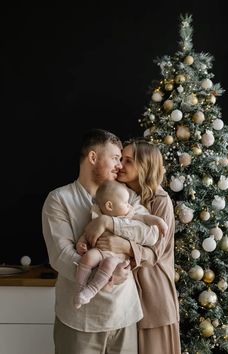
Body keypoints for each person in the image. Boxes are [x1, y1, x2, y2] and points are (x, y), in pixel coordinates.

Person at [42, 128, 160, 354]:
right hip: (79, 321)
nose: (120, 165)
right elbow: (61, 256)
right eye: (115, 158)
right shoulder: (59, 199)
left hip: (124, 315)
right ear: (93, 157)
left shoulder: (127, 196)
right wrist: (106, 275)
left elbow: (150, 235)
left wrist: (109, 223)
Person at [85, 139, 181, 354]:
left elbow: (154, 253)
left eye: (128, 160)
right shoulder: (118, 193)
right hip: (125, 294)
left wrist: (123, 243)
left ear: (144, 166)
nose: (120, 165)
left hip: (152, 295)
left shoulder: (160, 200)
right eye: (120, 159)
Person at [74, 179, 167, 309]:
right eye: (125, 203)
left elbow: (145, 219)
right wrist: (81, 242)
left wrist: (158, 221)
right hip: (100, 251)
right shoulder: (97, 214)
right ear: (109, 206)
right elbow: (88, 231)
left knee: (109, 264)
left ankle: (91, 290)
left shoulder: (129, 214)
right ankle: (79, 289)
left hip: (117, 256)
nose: (129, 206)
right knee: (88, 257)